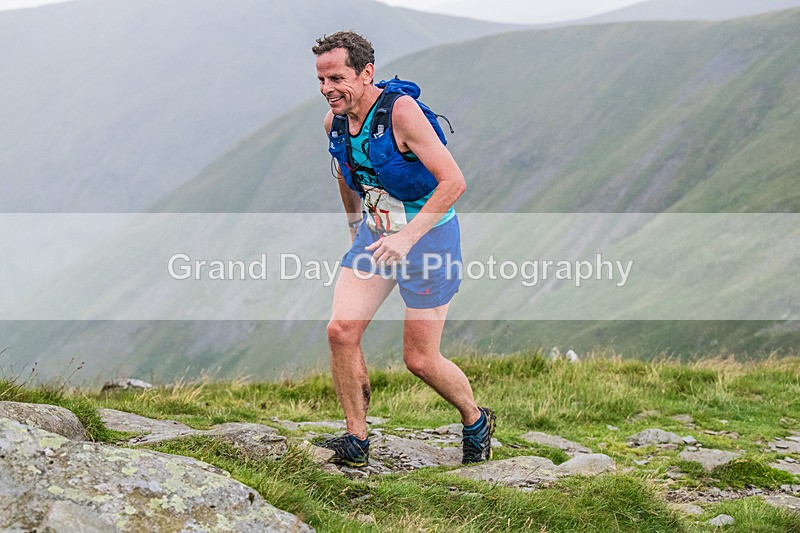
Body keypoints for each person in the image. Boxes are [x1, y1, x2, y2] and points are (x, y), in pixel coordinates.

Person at [312, 31, 494, 467]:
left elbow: (454, 182)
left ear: (366, 73)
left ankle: (475, 419)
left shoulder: (402, 114)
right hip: (376, 237)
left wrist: (407, 237)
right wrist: (355, 226)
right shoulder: (334, 122)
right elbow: (347, 173)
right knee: (341, 331)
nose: (327, 89)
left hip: (428, 240)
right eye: (321, 80)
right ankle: (356, 439)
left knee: (420, 359)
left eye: (336, 78)